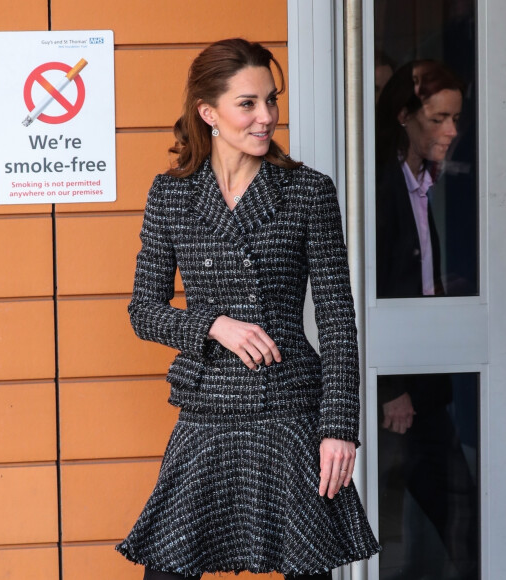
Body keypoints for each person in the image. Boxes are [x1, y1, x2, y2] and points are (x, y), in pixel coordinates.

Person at [115, 38, 380, 580]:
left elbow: (336, 321)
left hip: (290, 412)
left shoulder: (308, 191)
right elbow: (144, 310)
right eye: (248, 103)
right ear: (208, 113)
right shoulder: (172, 195)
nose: (266, 117)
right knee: (167, 568)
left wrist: (339, 428)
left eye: (271, 100)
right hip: (207, 410)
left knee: (308, 568)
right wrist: (213, 325)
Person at [375, 60, 478, 579]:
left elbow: (409, 274)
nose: (452, 131)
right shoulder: (378, 189)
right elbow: (363, 290)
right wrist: (390, 386)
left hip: (429, 386)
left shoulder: (422, 180)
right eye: (439, 118)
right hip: (397, 396)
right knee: (384, 529)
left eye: (456, 119)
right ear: (404, 116)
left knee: (466, 522)